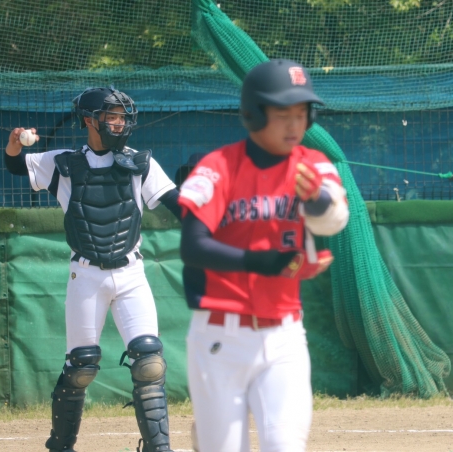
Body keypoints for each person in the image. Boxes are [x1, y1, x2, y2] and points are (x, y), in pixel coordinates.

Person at [178, 59, 350, 452]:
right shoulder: (219, 166)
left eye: (302, 113)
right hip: (219, 337)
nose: (295, 124)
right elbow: (192, 246)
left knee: (284, 444)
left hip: (284, 335)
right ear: (254, 114)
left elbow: (335, 220)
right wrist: (260, 262)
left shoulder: (312, 165)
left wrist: (316, 199)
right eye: (282, 113)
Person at [4, 87, 180, 452]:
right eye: (111, 117)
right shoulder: (63, 163)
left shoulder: (140, 163)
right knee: (81, 366)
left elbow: (180, 204)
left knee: (149, 362)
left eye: (122, 117)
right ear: (89, 120)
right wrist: (15, 145)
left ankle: (158, 448)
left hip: (131, 274)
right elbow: (15, 167)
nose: (119, 123)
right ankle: (61, 445)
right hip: (85, 276)